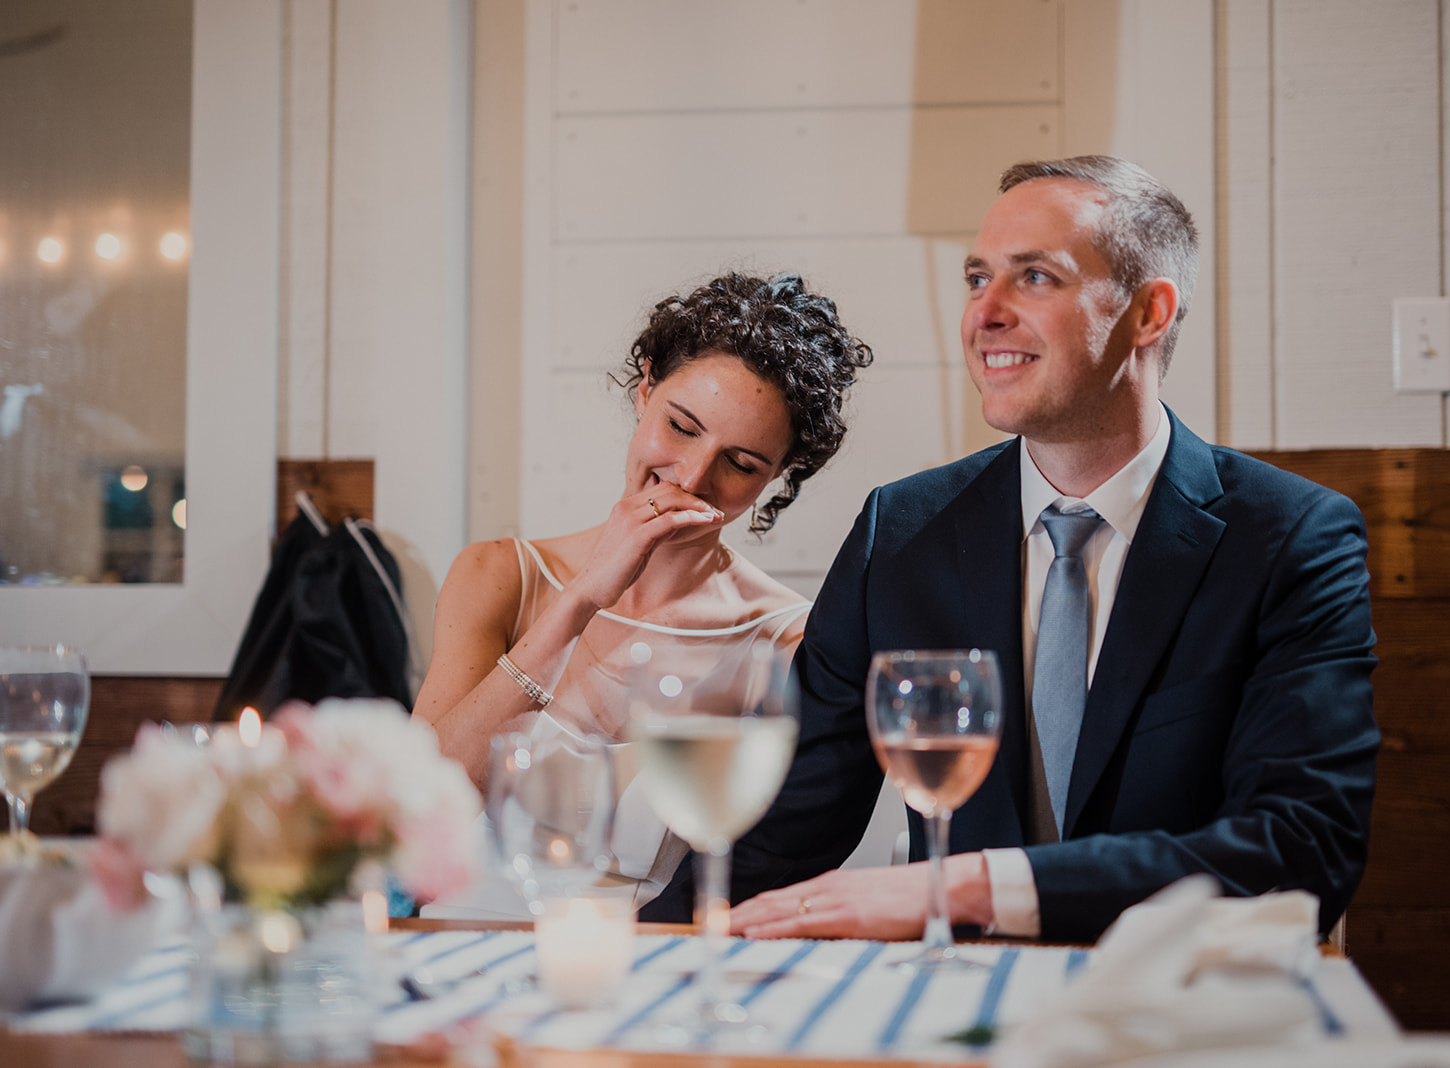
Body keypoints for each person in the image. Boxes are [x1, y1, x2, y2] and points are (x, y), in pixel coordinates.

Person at [727, 156, 1381, 944]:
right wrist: (626, 948)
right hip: (958, 1020)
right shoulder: (897, 533)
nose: (985, 313)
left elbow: (1301, 847)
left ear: (1148, 313)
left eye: (1034, 278)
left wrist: (974, 887)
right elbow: (787, 832)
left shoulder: (1291, 539)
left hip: (1188, 1013)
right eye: (977, 278)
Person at [414, 271, 872, 914]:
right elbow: (415, 810)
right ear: (645, 387)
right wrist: (577, 604)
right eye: (682, 427)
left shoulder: (786, 641)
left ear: (779, 475)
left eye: (740, 464)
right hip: (461, 951)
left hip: (654, 963)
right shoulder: (499, 576)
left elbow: (766, 865)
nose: (691, 476)